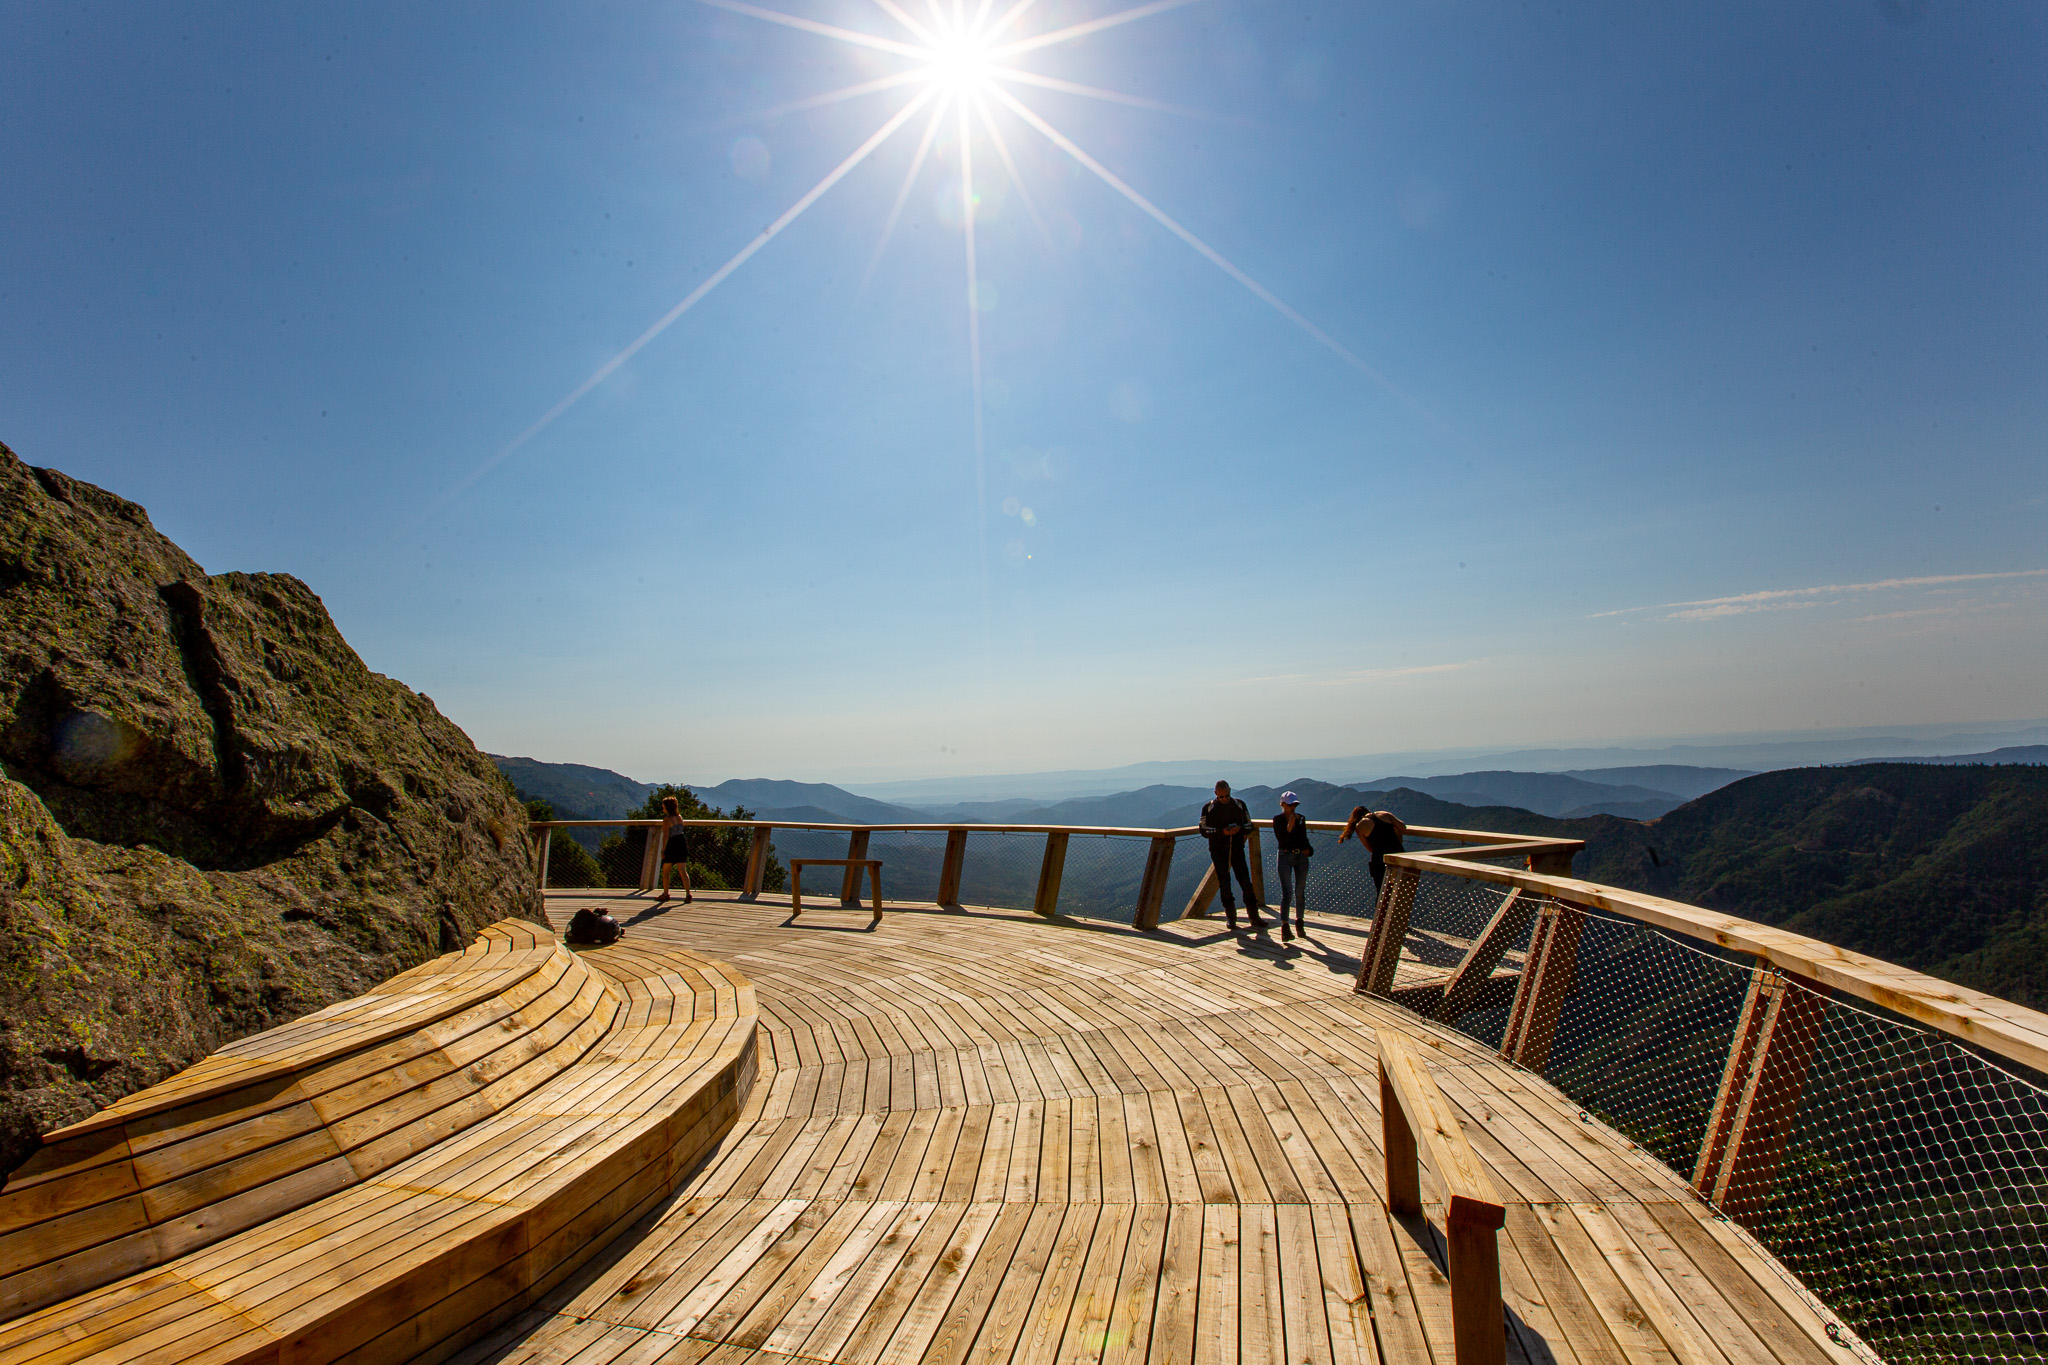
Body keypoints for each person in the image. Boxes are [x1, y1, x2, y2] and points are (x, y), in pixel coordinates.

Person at [1199, 780, 1264, 931]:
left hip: (1237, 849)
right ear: (1215, 794)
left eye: (1227, 796)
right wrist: (1222, 832)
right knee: (1224, 883)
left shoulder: (1239, 804)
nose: (1224, 799)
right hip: (1218, 850)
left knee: (1246, 882)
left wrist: (1239, 829)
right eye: (1221, 797)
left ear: (1230, 791)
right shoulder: (1208, 808)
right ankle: (1231, 917)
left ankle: (1254, 916)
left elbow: (1249, 825)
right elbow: (1203, 830)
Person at [1338, 805, 1407, 903]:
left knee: (1382, 892)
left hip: (1380, 860)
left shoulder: (1360, 826)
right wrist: (1397, 833)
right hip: (1399, 856)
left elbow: (1370, 848)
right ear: (1368, 811)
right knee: (1400, 890)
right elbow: (1403, 827)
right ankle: (1398, 915)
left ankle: (1380, 916)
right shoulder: (1385, 814)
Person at [1271, 791, 1314, 939]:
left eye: (1295, 805)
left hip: (1301, 856)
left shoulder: (1301, 819)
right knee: (1287, 892)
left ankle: (1299, 922)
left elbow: (1303, 837)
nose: (1293, 808)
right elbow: (1282, 840)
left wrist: (1309, 849)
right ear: (1283, 805)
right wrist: (1290, 825)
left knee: (1300, 892)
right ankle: (1285, 926)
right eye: (1290, 805)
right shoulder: (1277, 820)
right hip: (1285, 856)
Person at [654, 795, 693, 905]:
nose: (662, 806)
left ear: (667, 807)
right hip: (681, 843)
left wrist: (663, 849)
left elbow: (666, 835)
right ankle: (688, 893)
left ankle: (666, 893)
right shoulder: (679, 817)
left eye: (663, 805)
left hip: (672, 844)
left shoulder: (667, 819)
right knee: (682, 870)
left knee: (666, 871)